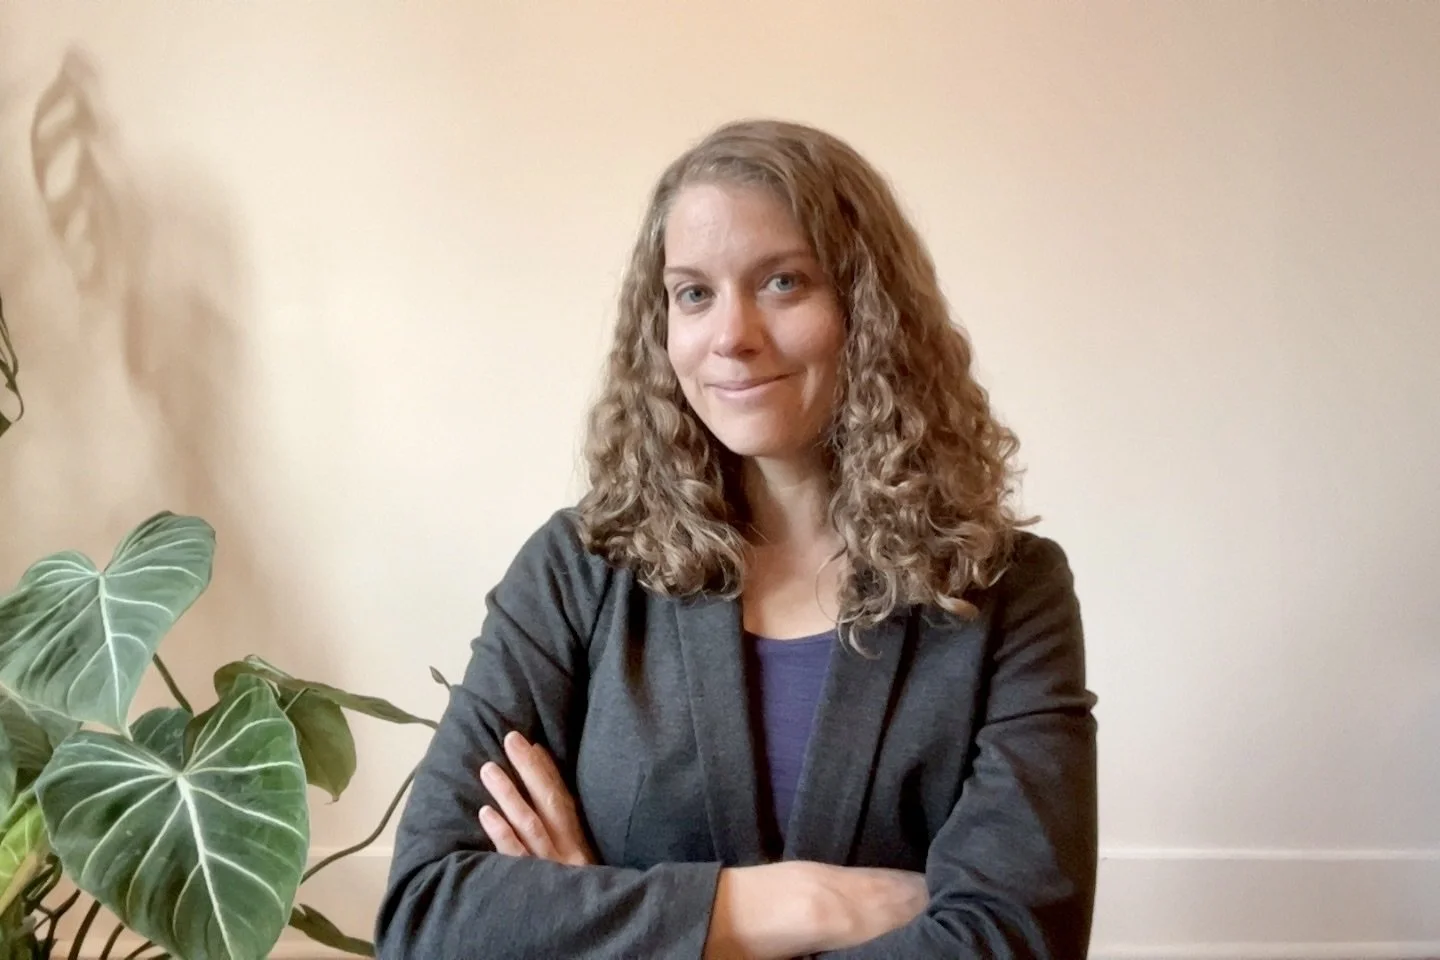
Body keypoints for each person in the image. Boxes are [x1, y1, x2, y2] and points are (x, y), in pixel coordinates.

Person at [374, 118, 1098, 959]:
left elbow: (1018, 939)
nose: (731, 336)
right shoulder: (577, 571)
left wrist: (608, 923)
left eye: (783, 282)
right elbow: (428, 916)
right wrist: (804, 904)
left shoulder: (1009, 591)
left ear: (870, 309)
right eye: (693, 293)